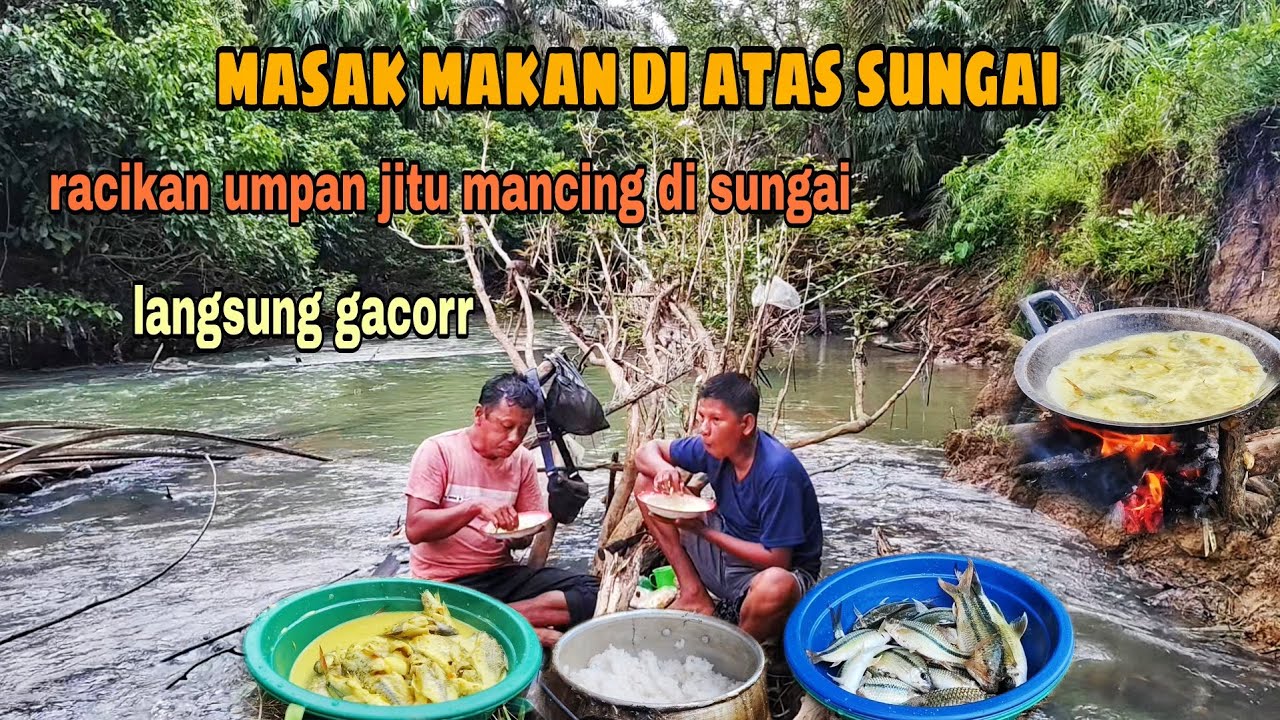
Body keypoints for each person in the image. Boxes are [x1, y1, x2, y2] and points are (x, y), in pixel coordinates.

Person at [403, 371, 599, 647]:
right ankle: (514, 623)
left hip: (500, 574)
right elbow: (415, 528)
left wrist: (517, 533)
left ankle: (487, 621)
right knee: (574, 613)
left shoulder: (521, 461)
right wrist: (472, 508)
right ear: (479, 414)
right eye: (506, 426)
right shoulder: (438, 451)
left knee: (593, 592)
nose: (514, 438)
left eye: (523, 429)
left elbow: (523, 538)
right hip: (445, 582)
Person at [633, 371, 823, 644]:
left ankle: (738, 648)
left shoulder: (778, 471)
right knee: (647, 480)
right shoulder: (713, 447)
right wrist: (664, 469)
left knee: (775, 585)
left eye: (716, 420)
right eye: (701, 418)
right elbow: (645, 452)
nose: (704, 429)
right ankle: (693, 593)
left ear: (746, 424)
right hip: (728, 549)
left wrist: (704, 532)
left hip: (772, 575)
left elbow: (777, 560)